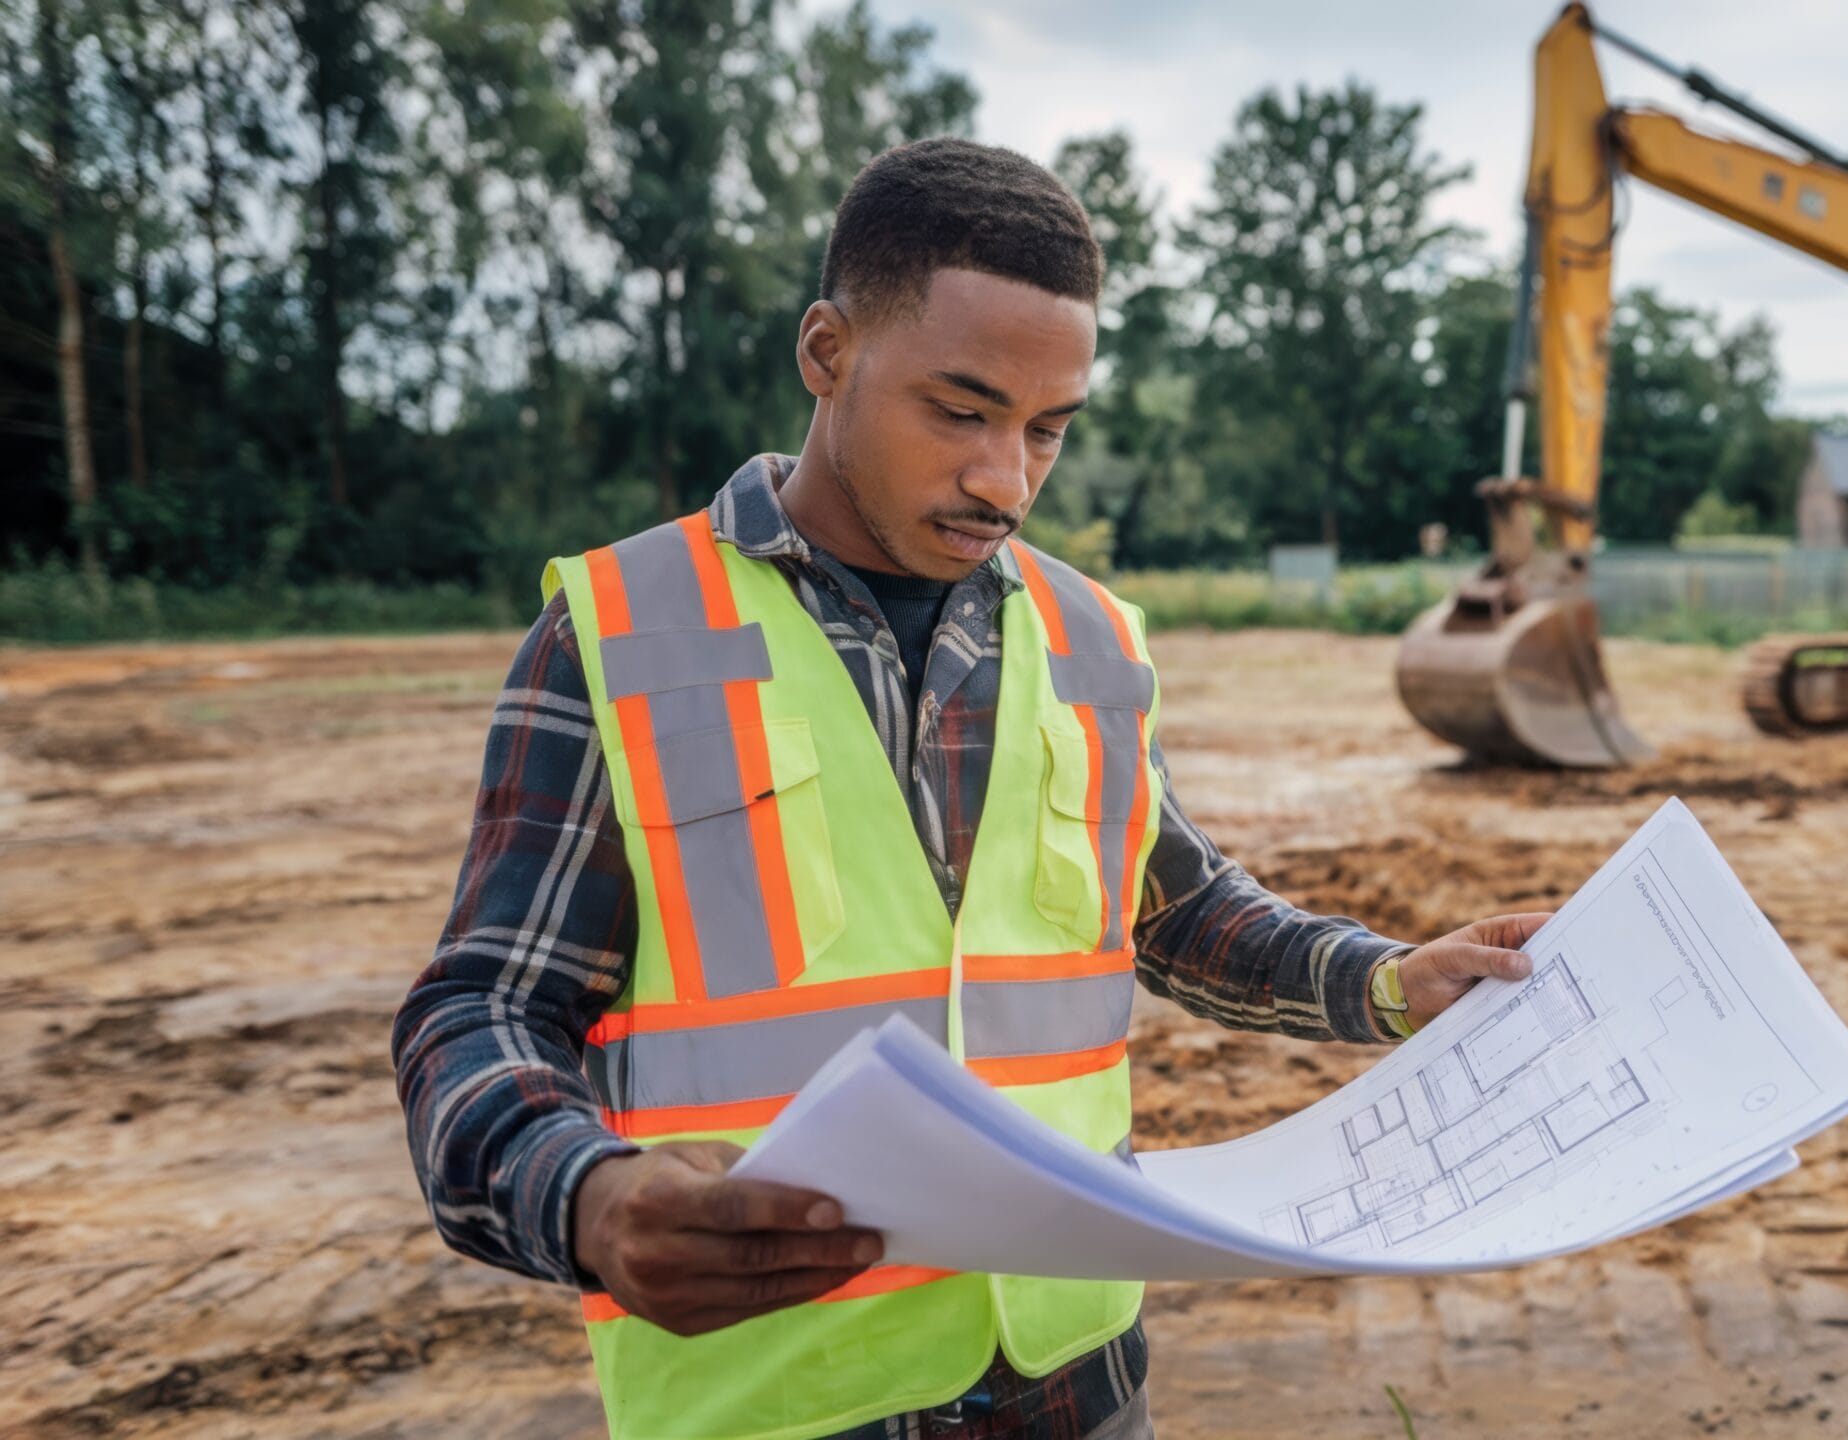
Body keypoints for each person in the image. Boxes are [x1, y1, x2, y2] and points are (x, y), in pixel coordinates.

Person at [393, 136, 1545, 1440]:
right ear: (827, 352)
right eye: (961, 411)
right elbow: (483, 1010)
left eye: (1047, 429)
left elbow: (1174, 909)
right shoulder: (621, 631)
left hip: (1079, 1379)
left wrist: (1392, 981)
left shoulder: (1090, 636)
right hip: (784, 1402)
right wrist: (589, 1198)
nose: (1007, 479)